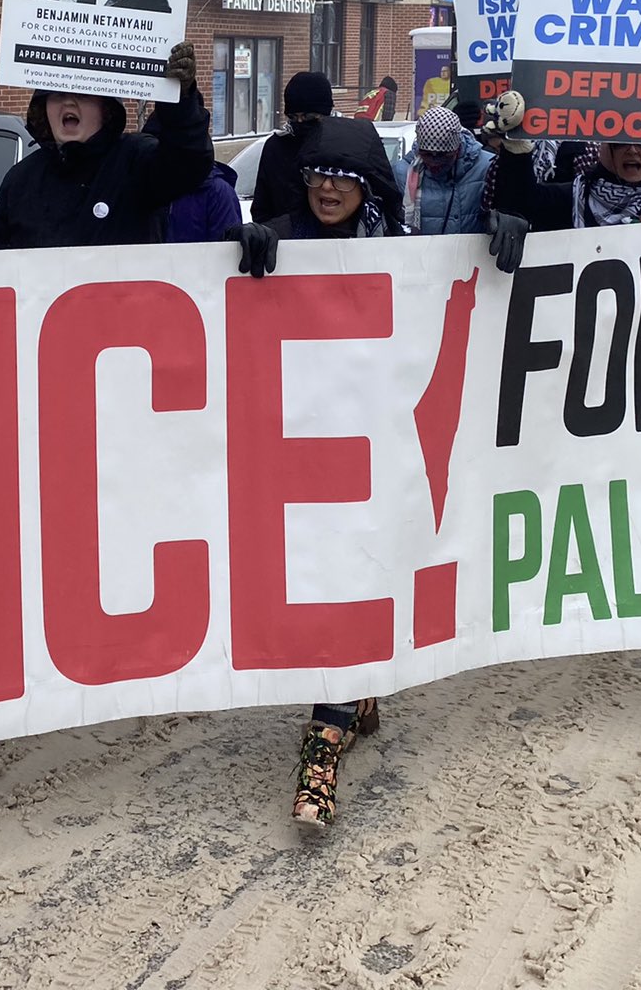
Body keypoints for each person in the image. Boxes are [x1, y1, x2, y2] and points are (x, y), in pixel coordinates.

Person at [219, 117, 520, 829]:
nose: (328, 189)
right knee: (329, 588)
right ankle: (341, 714)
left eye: (344, 178)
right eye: (318, 176)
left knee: (358, 584)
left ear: (369, 187)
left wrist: (502, 231)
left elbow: (451, 301)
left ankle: (332, 728)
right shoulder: (277, 239)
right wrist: (238, 251)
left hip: (379, 456)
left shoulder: (402, 250)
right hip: (303, 462)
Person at [0, 42, 212, 254]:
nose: (68, 102)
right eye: (56, 94)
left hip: (124, 311)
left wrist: (181, 99)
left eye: (82, 94)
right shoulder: (22, 178)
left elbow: (188, 163)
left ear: (105, 108)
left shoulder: (134, 159)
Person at [482, 91, 641, 229]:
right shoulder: (577, 195)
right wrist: (515, 149)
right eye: (620, 142)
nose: (632, 150)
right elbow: (520, 204)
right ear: (607, 148)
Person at [250, 72, 332, 225]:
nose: (300, 122)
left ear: (325, 113)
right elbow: (262, 204)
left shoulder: (340, 145)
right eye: (293, 117)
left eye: (307, 117)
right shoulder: (276, 147)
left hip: (331, 236)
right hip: (282, 235)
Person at [407, 105, 490, 235]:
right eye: (427, 154)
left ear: (458, 148)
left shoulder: (487, 168)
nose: (434, 162)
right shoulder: (403, 173)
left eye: (443, 155)